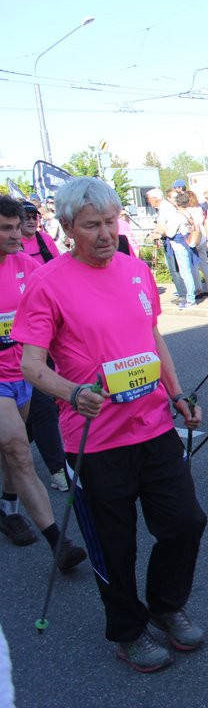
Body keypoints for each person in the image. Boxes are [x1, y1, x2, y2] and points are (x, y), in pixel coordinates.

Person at [16, 178, 207, 673]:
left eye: (111, 221)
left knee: (186, 522)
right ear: (66, 228)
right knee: (115, 545)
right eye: (92, 225)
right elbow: (32, 366)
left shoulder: (137, 270)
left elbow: (152, 338)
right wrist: (73, 394)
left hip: (153, 425)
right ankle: (128, 631)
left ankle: (165, 606)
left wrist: (177, 391)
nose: (105, 233)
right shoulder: (47, 281)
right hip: (95, 439)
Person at [0, 197, 85, 568]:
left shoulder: (27, 265)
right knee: (19, 450)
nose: (16, 234)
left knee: (12, 448)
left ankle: (8, 507)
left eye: (17, 226)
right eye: (6, 228)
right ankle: (58, 542)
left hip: (22, 373)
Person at [17, 203, 68, 492]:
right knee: (33, 416)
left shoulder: (39, 247)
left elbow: (57, 277)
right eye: (11, 224)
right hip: (8, 363)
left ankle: (57, 467)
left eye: (35, 216)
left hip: (38, 343)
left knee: (44, 406)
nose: (32, 221)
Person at [148, 188, 196, 310]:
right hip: (187, 242)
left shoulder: (177, 216)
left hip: (179, 244)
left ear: (177, 203)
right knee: (187, 271)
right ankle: (190, 296)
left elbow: (170, 233)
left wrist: (160, 232)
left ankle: (190, 298)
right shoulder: (188, 213)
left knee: (185, 272)